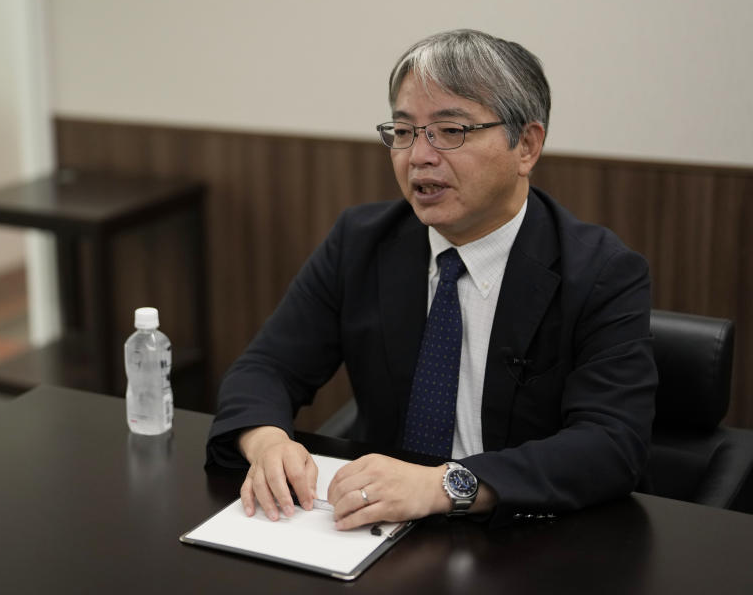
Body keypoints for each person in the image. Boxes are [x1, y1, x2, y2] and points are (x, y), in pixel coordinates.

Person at [206, 29, 657, 528]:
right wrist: (267, 440)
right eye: (403, 132)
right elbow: (266, 366)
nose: (418, 155)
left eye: (451, 131)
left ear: (526, 146)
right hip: (377, 530)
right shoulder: (361, 241)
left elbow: (611, 445)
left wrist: (445, 483)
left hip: (522, 534)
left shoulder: (601, 272)